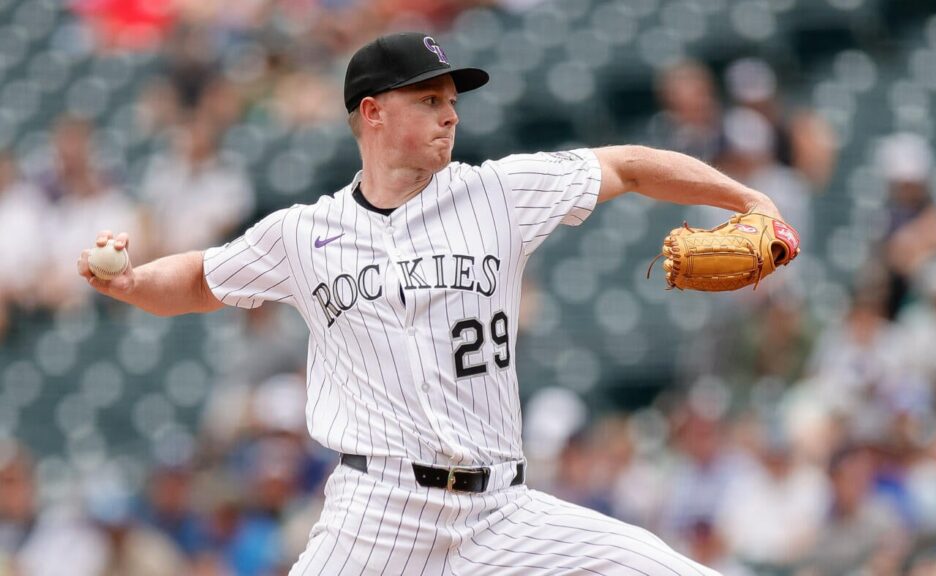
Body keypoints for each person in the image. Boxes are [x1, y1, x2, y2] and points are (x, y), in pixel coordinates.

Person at [79, 32, 788, 575]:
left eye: (452, 101)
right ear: (373, 112)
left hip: (501, 513)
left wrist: (749, 200)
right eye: (430, 101)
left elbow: (628, 165)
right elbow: (204, 278)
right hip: (376, 515)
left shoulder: (499, 192)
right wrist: (136, 284)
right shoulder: (303, 233)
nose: (451, 115)